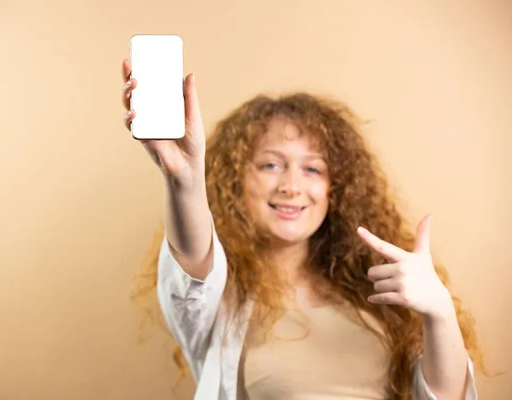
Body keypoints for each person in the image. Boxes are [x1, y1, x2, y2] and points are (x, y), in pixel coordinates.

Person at [121, 59, 484, 400]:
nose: (292, 186)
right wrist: (184, 179)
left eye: (312, 169)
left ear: (335, 189)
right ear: (234, 181)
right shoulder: (222, 298)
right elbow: (191, 259)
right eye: (270, 165)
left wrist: (439, 312)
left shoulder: (375, 292)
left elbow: (446, 396)